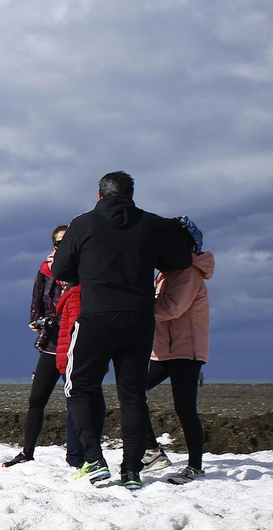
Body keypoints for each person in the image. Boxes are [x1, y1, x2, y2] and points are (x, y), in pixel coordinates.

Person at [52, 170, 193, 490]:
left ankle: (94, 459)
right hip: (139, 320)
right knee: (132, 396)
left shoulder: (83, 223)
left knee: (79, 387)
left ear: (99, 195)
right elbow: (181, 259)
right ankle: (131, 469)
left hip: (96, 318)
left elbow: (61, 269)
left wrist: (87, 268)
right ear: (131, 195)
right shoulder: (151, 223)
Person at [139, 217, 213, 484]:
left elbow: (171, 308)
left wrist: (137, 303)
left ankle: (195, 466)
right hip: (163, 350)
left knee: (185, 408)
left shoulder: (189, 271)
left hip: (186, 349)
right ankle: (153, 451)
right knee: (133, 391)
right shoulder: (166, 274)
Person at [3, 226, 74, 467]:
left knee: (76, 399)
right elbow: (36, 306)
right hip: (52, 344)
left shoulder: (85, 270)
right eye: (57, 243)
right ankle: (27, 452)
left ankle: (77, 454)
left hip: (76, 344)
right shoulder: (45, 272)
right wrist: (38, 321)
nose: (60, 247)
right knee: (36, 400)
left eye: (66, 242)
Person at [54, 283, 104, 471]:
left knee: (84, 406)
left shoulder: (74, 294)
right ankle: (80, 456)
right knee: (86, 406)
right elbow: (79, 331)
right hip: (76, 360)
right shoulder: (78, 295)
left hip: (73, 359)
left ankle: (80, 455)